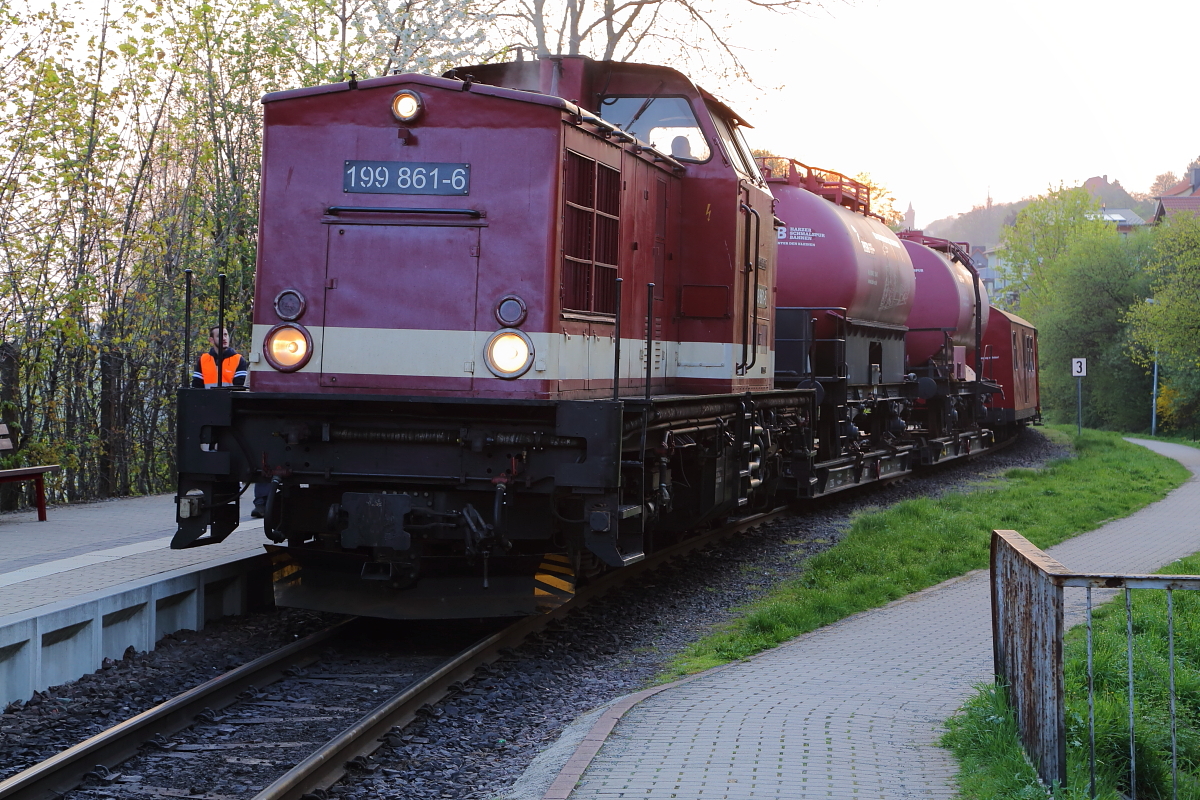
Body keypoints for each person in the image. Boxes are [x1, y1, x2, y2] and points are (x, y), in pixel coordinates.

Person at [192, 327, 269, 517]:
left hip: (233, 414)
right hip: (211, 414)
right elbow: (196, 387)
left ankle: (248, 499)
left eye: (226, 335)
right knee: (213, 455)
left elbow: (239, 385)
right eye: (220, 335)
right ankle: (217, 497)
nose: (224, 338)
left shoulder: (238, 360)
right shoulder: (203, 360)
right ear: (211, 339)